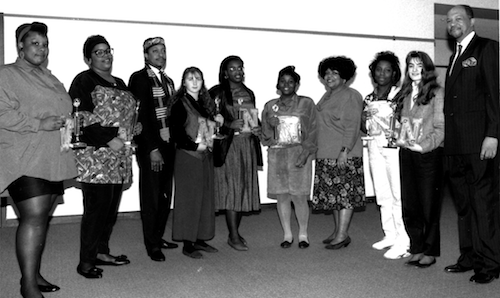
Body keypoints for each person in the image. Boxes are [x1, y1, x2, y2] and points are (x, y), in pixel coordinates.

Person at [0, 22, 77, 298]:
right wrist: (38, 123)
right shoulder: (6, 74)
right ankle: (28, 286)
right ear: (20, 46)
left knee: (41, 218)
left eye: (45, 44)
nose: (41, 49)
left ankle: (33, 273)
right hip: (24, 157)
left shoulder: (51, 78)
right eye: (34, 43)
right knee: (33, 218)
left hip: (52, 158)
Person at [69, 35, 137, 279]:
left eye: (107, 50)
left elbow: (128, 115)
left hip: (119, 157)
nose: (105, 55)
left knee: (110, 210)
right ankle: (85, 262)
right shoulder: (84, 81)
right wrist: (109, 138)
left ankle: (101, 252)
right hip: (96, 157)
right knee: (96, 211)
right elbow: (80, 117)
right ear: (88, 58)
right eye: (98, 52)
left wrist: (134, 128)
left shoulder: (120, 82)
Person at [443, 5, 500, 284]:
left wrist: (494, 134)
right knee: (464, 206)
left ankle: (490, 264)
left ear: (472, 21)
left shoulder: (487, 48)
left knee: (483, 204)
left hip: (479, 142)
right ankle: (469, 257)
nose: (453, 23)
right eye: (449, 20)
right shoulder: (454, 55)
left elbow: (494, 94)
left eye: (459, 19)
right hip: (456, 145)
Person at [391, 51, 444, 268]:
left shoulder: (436, 92)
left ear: (427, 68)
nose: (414, 69)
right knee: (410, 203)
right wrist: (395, 135)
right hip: (406, 153)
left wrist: (422, 146)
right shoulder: (403, 93)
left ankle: (430, 251)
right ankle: (416, 247)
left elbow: (441, 128)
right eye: (410, 65)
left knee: (428, 204)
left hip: (428, 154)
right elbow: (399, 123)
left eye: (419, 65)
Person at [128, 37, 178, 262]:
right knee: (151, 197)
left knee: (165, 194)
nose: (160, 55)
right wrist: (151, 149)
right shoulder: (139, 78)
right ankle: (152, 244)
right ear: (146, 55)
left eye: (163, 51)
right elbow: (141, 117)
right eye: (155, 51)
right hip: (152, 148)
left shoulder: (168, 80)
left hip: (169, 146)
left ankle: (158, 236)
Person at [208, 56, 262, 251]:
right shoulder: (217, 92)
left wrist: (258, 129)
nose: (238, 72)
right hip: (229, 147)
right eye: (232, 69)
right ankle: (233, 235)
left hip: (246, 146)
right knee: (232, 190)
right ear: (225, 72)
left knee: (241, 190)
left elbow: (255, 118)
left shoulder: (249, 92)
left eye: (240, 68)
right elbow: (207, 120)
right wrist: (229, 125)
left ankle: (235, 232)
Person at [261, 66, 317, 248]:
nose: (286, 85)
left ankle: (303, 234)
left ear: (297, 84)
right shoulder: (270, 106)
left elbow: (313, 130)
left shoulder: (306, 103)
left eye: (290, 82)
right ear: (277, 84)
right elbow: (265, 136)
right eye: (283, 81)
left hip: (299, 154)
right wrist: (269, 125)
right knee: (282, 196)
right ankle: (287, 234)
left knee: (299, 196)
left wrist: (306, 152)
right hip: (277, 156)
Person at [312, 56, 365, 249]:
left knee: (345, 196)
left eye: (334, 73)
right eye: (326, 73)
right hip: (326, 152)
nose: (329, 76)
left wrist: (345, 151)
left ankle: (342, 235)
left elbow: (352, 126)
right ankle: (338, 231)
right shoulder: (328, 95)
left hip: (344, 154)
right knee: (333, 196)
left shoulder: (351, 95)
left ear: (345, 76)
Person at [363, 51, 410, 259]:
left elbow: (409, 124)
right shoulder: (369, 97)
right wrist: (365, 117)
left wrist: (396, 127)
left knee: (398, 194)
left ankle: (404, 241)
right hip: (374, 146)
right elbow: (364, 128)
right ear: (373, 73)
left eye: (387, 70)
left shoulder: (401, 95)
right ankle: (390, 234)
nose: (382, 73)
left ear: (394, 74)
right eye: (378, 69)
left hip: (395, 148)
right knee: (382, 193)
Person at [170, 67, 221, 259]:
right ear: (183, 82)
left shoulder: (205, 104)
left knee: (205, 198)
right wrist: (193, 146)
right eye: (189, 78)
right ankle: (188, 243)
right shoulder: (179, 104)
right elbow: (176, 134)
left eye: (197, 78)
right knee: (189, 199)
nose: (194, 82)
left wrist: (217, 122)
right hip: (188, 157)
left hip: (204, 156)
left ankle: (200, 237)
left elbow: (207, 130)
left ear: (202, 82)